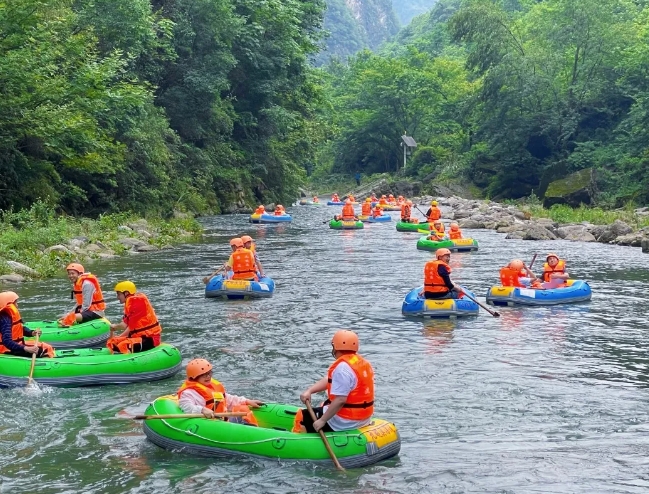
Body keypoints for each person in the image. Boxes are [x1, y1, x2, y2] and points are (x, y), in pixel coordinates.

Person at [295, 330, 374, 433]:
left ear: (335, 347)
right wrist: (310, 391)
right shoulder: (361, 363)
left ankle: (301, 442)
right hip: (363, 418)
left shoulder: (342, 369)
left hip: (345, 422)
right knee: (324, 404)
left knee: (303, 416)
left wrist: (322, 421)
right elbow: (329, 379)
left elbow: (340, 400)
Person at [178, 358, 263, 425]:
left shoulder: (212, 386)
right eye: (204, 375)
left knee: (242, 409)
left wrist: (247, 401)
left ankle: (253, 431)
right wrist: (202, 410)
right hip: (208, 424)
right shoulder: (188, 393)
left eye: (209, 373)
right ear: (194, 377)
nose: (208, 377)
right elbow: (186, 406)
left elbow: (228, 399)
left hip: (221, 421)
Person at [107, 281, 162, 354]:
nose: (117, 297)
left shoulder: (136, 303)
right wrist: (119, 337)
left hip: (150, 339)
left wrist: (114, 326)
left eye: (119, 294)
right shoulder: (130, 303)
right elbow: (131, 327)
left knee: (122, 345)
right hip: (139, 337)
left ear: (126, 293)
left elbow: (124, 325)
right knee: (113, 343)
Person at [0, 291, 54, 358]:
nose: (17, 305)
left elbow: (19, 329)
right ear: (8, 304)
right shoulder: (5, 319)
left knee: (46, 346)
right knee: (44, 350)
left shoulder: (7, 315)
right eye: (15, 303)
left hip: (15, 346)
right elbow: (6, 341)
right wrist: (26, 348)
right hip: (7, 349)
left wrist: (31, 333)